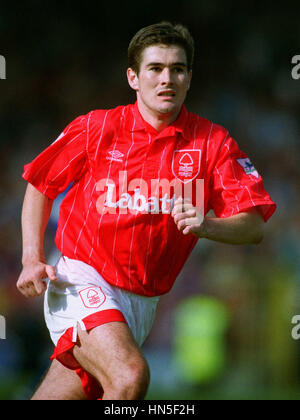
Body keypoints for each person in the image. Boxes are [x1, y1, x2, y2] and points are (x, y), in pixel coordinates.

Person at [17, 21, 276, 400]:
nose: (166, 78)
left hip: (142, 303)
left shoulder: (214, 144)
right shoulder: (97, 127)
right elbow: (40, 182)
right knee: (130, 376)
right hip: (83, 280)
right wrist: (31, 257)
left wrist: (208, 226)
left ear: (189, 77)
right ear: (133, 78)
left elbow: (253, 226)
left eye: (177, 69)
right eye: (155, 68)